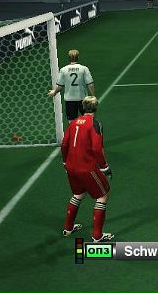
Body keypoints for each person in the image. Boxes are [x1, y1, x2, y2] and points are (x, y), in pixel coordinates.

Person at [61, 96, 114, 242]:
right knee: (103, 195)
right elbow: (97, 149)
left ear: (83, 107)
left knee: (78, 194)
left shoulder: (73, 123)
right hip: (86, 168)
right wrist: (104, 167)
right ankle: (97, 236)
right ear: (96, 108)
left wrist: (65, 162)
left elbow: (64, 144)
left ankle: (68, 227)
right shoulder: (95, 124)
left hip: (71, 167)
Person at [48, 49, 95, 122]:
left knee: (71, 122)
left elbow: (60, 86)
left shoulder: (63, 70)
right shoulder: (84, 69)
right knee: (88, 120)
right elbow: (90, 84)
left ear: (69, 58)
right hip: (82, 99)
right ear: (78, 57)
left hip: (70, 100)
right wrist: (93, 96)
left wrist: (54, 92)